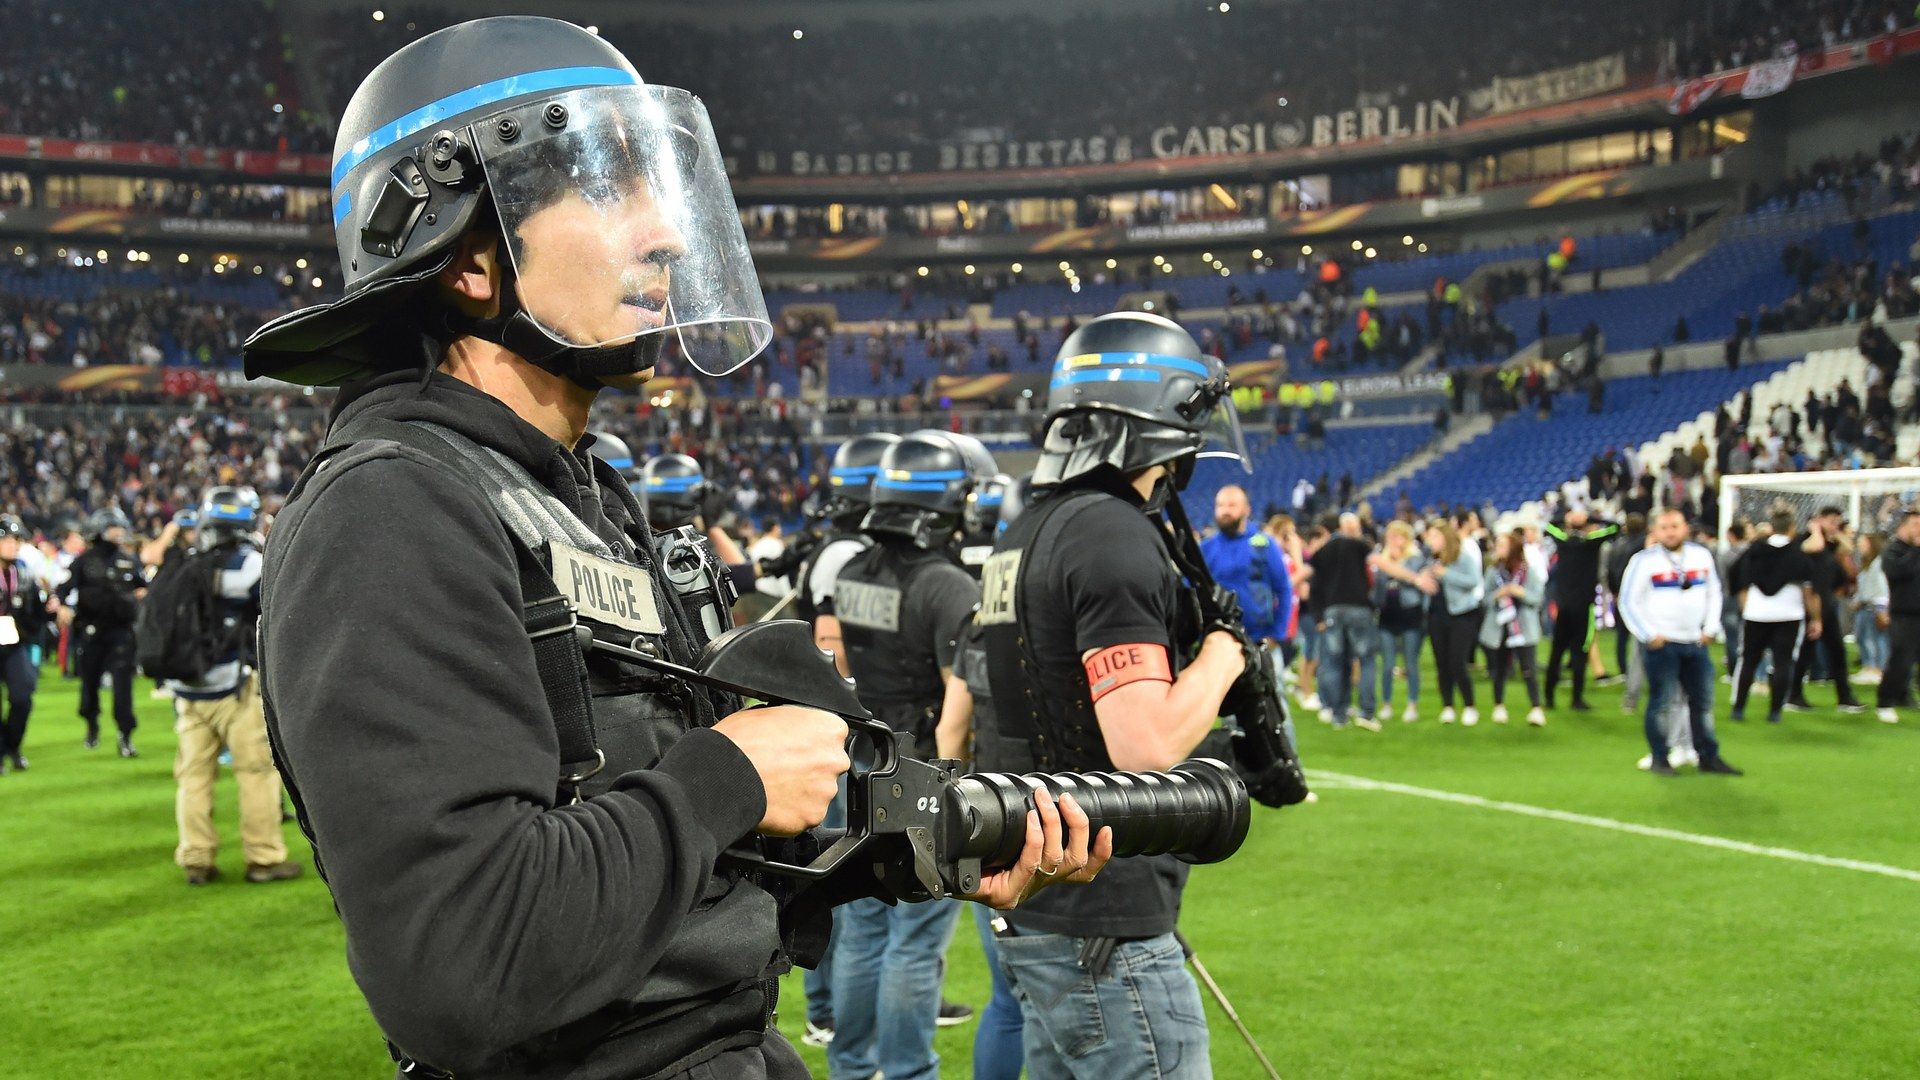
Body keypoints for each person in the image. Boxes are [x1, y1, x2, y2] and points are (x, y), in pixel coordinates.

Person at [241, 20, 1095, 1077]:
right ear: (467, 256)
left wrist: (936, 846)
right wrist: (723, 774)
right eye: (608, 189)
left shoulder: (580, 497)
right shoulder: (391, 514)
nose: (671, 236)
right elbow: (461, 964)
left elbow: (682, 866)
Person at [977, 310, 1248, 1079]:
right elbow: (1146, 746)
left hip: (1043, 897)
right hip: (1104, 917)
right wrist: (1226, 654)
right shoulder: (1111, 532)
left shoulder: (1025, 530)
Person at [829, 429, 998, 1080]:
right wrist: (961, 789)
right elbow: (957, 715)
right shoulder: (950, 587)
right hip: (925, 772)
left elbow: (842, 669)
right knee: (917, 942)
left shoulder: (850, 571)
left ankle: (850, 1068)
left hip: (862, 762)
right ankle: (906, 1072)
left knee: (866, 931)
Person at [934, 479, 1030, 1080]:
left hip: (993, 815)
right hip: (1062, 818)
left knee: (1008, 998)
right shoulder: (1065, 611)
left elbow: (951, 731)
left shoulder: (979, 617)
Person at [167, 487, 303, 886]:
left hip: (189, 692)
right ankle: (263, 858)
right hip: (238, 688)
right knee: (255, 772)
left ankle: (196, 858)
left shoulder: (184, 567)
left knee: (193, 778)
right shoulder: (250, 565)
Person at [1617, 510, 1741, 776]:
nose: (1670, 532)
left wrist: (1710, 627)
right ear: (1655, 531)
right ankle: (1660, 758)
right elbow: (1628, 601)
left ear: (1685, 528)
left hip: (1696, 642)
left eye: (1675, 526)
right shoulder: (1643, 561)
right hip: (1663, 644)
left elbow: (1714, 592)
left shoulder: (1701, 555)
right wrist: (1649, 634)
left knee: (1703, 703)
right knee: (1661, 703)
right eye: (1664, 527)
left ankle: (1708, 756)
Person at [1200, 484, 1294, 691]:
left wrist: (1277, 634)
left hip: (1260, 642)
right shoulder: (1205, 549)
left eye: (1232, 505)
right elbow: (1193, 594)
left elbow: (1284, 590)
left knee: (1273, 708)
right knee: (1227, 708)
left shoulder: (1264, 545)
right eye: (1220, 505)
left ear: (1246, 509)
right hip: (1220, 644)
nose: (1225, 510)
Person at [66, 506, 144, 756]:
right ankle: (91, 724)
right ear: (100, 531)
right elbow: (65, 588)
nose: (118, 532)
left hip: (121, 632)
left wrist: (140, 597)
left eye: (120, 527)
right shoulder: (84, 561)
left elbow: (145, 586)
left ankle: (125, 735)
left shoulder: (129, 560)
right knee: (89, 685)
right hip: (91, 631)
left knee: (123, 687)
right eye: (113, 528)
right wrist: (60, 606)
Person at [1728, 509, 1818, 726]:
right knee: (1783, 663)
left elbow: (1736, 576)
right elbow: (1809, 591)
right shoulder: (1798, 555)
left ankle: (1739, 707)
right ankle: (1775, 711)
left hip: (1756, 613)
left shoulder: (1754, 551)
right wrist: (1815, 617)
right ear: (1792, 528)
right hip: (1788, 615)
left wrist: (1744, 604)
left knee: (1748, 660)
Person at [1306, 513, 1381, 730]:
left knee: (1336, 662)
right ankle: (1366, 712)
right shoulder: (1360, 546)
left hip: (1333, 611)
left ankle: (1338, 713)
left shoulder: (1324, 550)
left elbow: (1313, 582)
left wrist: (1319, 614)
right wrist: (1413, 577)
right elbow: (1378, 564)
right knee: (1366, 661)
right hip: (1359, 609)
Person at [1789, 507, 1864, 713]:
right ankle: (1793, 694)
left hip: (1827, 604)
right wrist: (1815, 529)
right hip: (1810, 605)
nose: (1834, 526)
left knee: (1837, 651)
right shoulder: (1804, 539)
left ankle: (1844, 697)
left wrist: (1835, 532)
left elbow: (1848, 548)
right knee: (1805, 651)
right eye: (1831, 521)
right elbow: (1815, 546)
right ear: (1818, 520)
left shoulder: (1831, 544)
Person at [1542, 509, 1617, 710]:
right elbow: (1615, 527)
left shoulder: (1563, 542)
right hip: (1584, 607)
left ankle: (1548, 697)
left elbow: (1549, 525)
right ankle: (1576, 699)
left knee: (1556, 652)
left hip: (1564, 606)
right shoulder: (1592, 543)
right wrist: (1591, 518)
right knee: (1579, 652)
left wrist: (1566, 518)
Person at [0, 515, 51, 773]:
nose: (14, 544)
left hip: (14, 641)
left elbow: (37, 612)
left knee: (22, 696)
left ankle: (12, 745)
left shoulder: (24, 573)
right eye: (8, 539)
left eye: (16, 539)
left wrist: (50, 609)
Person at [1480, 529, 1546, 725]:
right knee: (1499, 668)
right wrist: (1498, 595)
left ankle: (1536, 708)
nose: (1497, 549)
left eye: (1501, 545)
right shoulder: (1493, 572)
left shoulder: (1528, 571)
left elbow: (1537, 598)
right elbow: (1485, 598)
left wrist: (1520, 592)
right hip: (1499, 627)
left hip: (1523, 628)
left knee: (1529, 668)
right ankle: (1498, 705)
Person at [1423, 519, 1483, 725]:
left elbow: (1473, 581)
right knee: (1442, 663)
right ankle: (1447, 705)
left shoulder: (1462, 558)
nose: (1430, 541)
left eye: (1434, 536)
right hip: (1436, 615)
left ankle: (1469, 705)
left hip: (1461, 614)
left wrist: (1446, 574)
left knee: (1457, 661)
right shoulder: (1429, 559)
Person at [1369, 520, 1428, 722]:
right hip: (1387, 614)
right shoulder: (1381, 559)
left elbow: (1413, 580)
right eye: (1390, 536)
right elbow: (1377, 585)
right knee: (1387, 664)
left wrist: (1392, 564)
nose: (1393, 540)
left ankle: (1412, 704)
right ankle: (1386, 703)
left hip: (1410, 613)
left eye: (1398, 536)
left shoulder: (1415, 559)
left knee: (1411, 662)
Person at [1874, 511, 1920, 723]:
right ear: (1902, 527)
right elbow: (1897, 572)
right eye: (1915, 524)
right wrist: (1916, 549)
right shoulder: (1893, 550)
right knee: (1901, 660)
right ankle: (1885, 702)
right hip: (1904, 615)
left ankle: (1904, 696)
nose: (1918, 528)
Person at [1851, 533, 1889, 686]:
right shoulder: (1867, 563)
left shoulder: (1878, 564)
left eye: (1863, 543)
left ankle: (1878, 669)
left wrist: (1882, 608)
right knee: (1862, 637)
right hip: (1865, 605)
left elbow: (1881, 588)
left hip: (1876, 605)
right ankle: (1868, 666)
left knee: (1875, 639)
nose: (1860, 547)